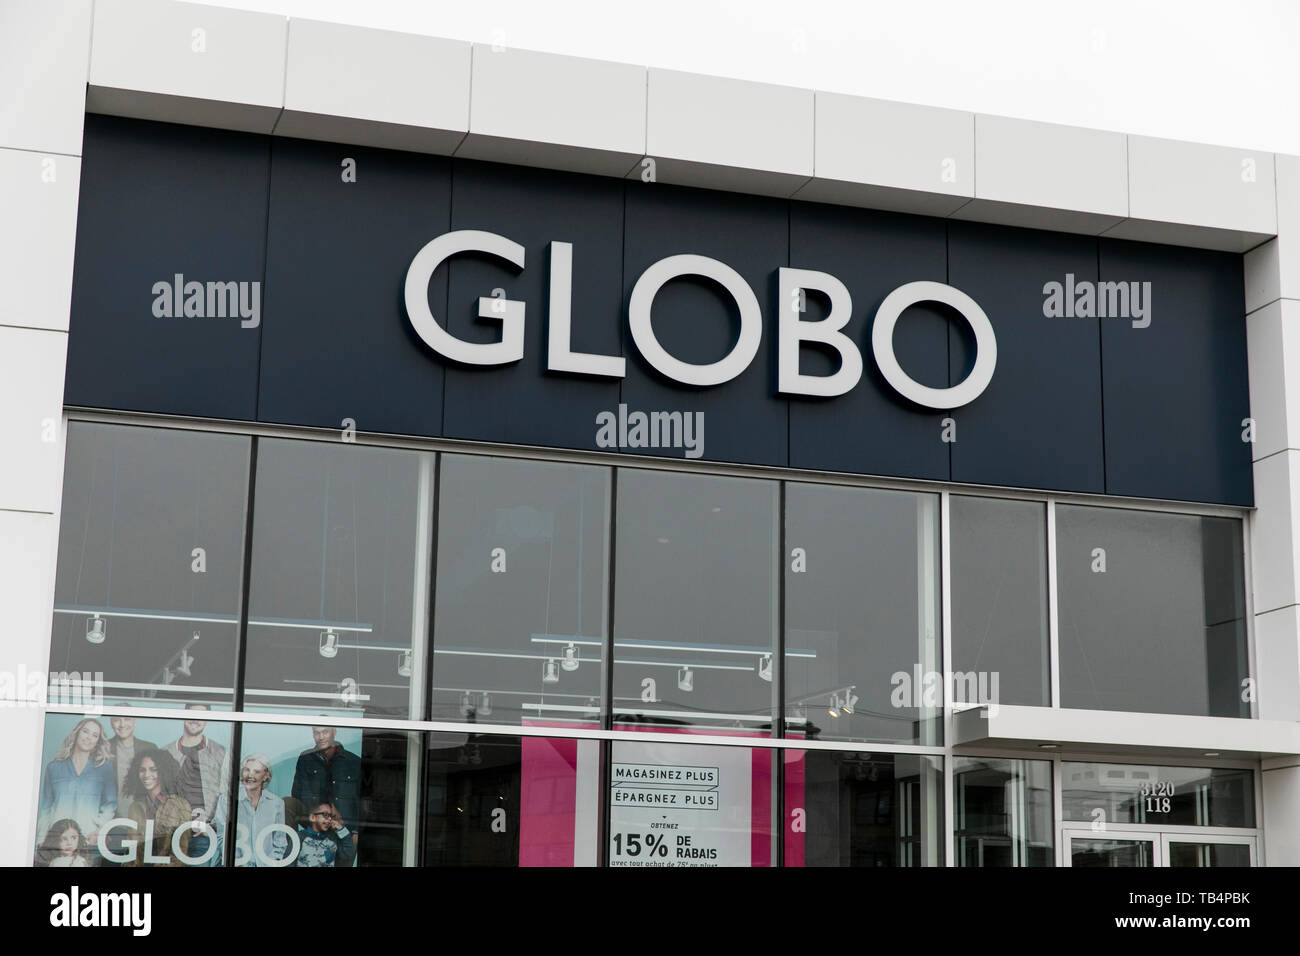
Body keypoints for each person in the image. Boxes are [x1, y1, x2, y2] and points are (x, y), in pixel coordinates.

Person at [36, 717, 117, 862]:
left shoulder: (104, 768)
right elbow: (46, 807)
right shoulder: (54, 768)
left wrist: (99, 829)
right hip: (59, 841)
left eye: (95, 735)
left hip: (87, 840)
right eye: (86, 732)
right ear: (77, 733)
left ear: (98, 741)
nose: (89, 738)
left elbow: (110, 804)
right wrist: (42, 838)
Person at [160, 703, 229, 862]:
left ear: (207, 721)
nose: (195, 720)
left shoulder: (220, 752)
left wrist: (212, 824)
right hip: (173, 831)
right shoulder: (165, 752)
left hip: (204, 832)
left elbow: (226, 795)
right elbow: (159, 793)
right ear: (183, 716)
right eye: (192, 715)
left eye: (201, 717)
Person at [212, 754, 288, 866]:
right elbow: (222, 837)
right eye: (246, 770)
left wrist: (273, 862)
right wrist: (236, 862)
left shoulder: (276, 803)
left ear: (266, 776)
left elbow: (279, 840)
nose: (250, 775)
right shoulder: (227, 799)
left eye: (256, 771)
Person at [124, 748, 193, 866]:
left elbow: (180, 854)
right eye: (142, 770)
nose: (146, 775)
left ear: (164, 771)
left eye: (153, 770)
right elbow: (132, 852)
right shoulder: (135, 807)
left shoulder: (179, 805)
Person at [292, 727, 360, 847]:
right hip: (314, 827)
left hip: (344, 829)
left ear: (334, 732)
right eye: (317, 733)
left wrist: (356, 831)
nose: (321, 737)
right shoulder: (306, 758)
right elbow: (297, 794)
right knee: (288, 803)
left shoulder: (353, 761)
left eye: (325, 732)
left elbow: (361, 800)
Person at [294, 802, 355, 868]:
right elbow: (289, 862)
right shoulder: (300, 837)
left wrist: (341, 829)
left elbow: (348, 853)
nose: (329, 819)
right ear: (312, 817)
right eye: (325, 815)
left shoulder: (332, 838)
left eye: (331, 816)